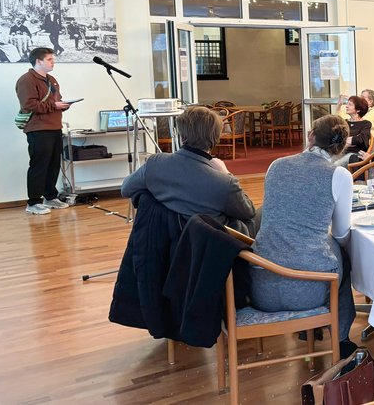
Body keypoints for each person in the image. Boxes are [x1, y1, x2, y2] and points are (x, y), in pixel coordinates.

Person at [250, 115, 357, 359]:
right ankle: (341, 338)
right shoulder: (339, 175)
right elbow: (341, 233)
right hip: (308, 290)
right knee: (340, 255)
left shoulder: (276, 166)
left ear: (310, 137)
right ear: (341, 147)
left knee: (315, 246)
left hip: (262, 284)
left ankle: (310, 331)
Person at [121, 105, 257, 235]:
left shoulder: (155, 164)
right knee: (262, 214)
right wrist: (226, 173)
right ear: (216, 139)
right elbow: (248, 212)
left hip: (167, 247)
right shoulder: (225, 183)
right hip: (213, 247)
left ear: (181, 135)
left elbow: (126, 189)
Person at [15, 47, 71, 215]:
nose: (53, 62)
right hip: (38, 129)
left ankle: (50, 197)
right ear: (38, 61)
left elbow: (56, 101)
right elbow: (29, 105)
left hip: (55, 126)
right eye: (49, 59)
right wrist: (54, 106)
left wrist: (63, 105)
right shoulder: (26, 80)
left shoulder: (52, 79)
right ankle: (33, 203)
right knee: (39, 165)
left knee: (54, 164)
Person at [341, 95, 372, 163]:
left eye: (350, 104)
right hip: (341, 153)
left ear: (358, 110)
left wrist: (345, 141)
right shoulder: (344, 122)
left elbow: (361, 139)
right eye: (347, 104)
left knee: (333, 166)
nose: (346, 106)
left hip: (355, 155)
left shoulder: (366, 124)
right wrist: (351, 140)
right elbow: (337, 139)